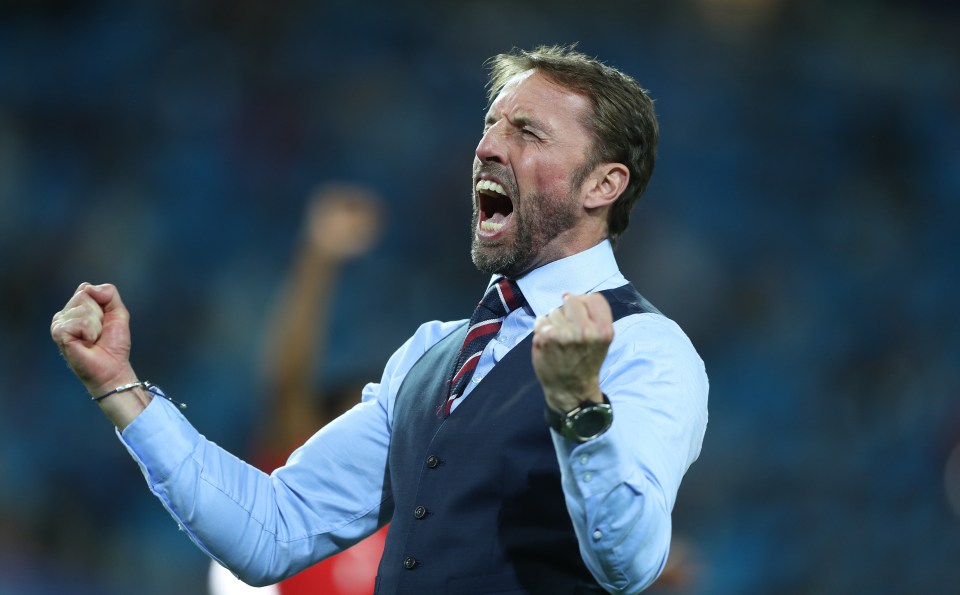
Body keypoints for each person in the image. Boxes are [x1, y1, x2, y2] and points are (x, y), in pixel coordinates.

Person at [50, 45, 709, 594]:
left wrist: (577, 407)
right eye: (490, 125)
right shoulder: (430, 355)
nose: (486, 147)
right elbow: (274, 527)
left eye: (527, 132)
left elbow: (629, 564)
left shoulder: (646, 349)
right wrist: (119, 386)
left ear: (602, 185)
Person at [208, 184, 387, 595]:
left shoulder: (412, 514)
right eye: (359, 412)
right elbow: (287, 382)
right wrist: (317, 258)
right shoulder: (304, 495)